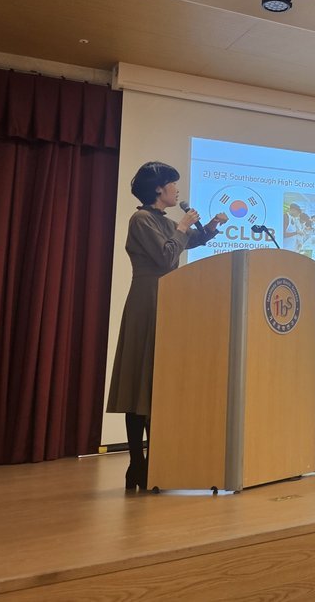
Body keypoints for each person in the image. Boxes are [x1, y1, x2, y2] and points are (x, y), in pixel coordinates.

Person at [106, 161, 228, 492]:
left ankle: (156, 460)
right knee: (139, 381)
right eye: (173, 184)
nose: (177, 190)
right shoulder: (142, 219)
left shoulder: (161, 220)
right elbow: (166, 257)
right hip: (147, 301)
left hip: (167, 299)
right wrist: (184, 225)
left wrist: (211, 226)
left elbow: (187, 242)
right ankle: (137, 463)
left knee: (158, 382)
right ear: (158, 188)